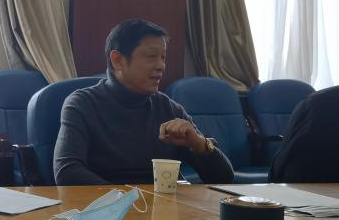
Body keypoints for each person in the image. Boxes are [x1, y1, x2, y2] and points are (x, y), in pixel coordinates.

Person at [54, 19, 234, 185]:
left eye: (163, 57)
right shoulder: (82, 104)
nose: (161, 66)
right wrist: (127, 199)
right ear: (118, 60)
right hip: (107, 207)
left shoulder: (168, 109)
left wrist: (199, 144)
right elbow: (67, 171)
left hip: (164, 206)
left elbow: (224, 178)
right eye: (151, 56)